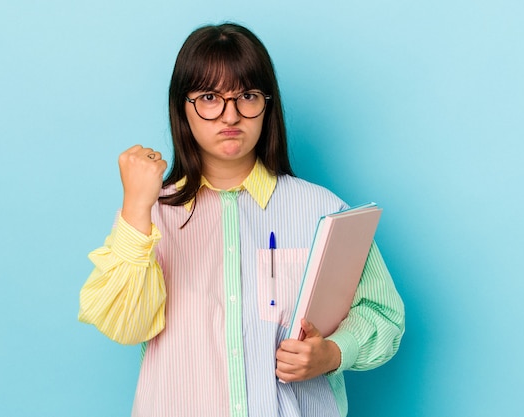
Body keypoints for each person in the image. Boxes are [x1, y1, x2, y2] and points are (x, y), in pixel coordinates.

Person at [78, 22, 405, 417]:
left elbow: (383, 313)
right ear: (183, 106)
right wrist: (135, 207)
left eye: (247, 96)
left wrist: (334, 352)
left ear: (267, 104)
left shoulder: (324, 210)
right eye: (210, 97)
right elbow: (124, 326)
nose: (230, 115)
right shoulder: (150, 216)